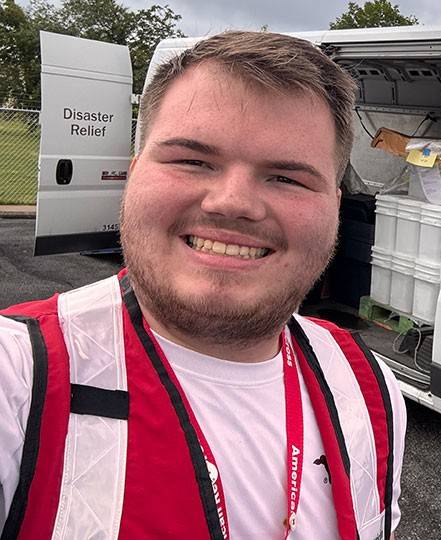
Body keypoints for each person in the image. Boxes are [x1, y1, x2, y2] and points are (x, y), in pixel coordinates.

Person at [0, 31, 405, 540]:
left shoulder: (371, 391)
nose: (232, 202)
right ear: (132, 175)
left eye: (286, 178)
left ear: (335, 210)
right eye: (192, 160)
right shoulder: (18, 378)